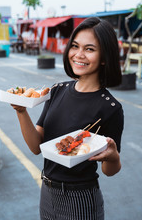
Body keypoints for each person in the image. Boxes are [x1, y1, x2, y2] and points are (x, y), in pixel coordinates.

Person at [11, 17, 124, 220]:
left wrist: (112, 156)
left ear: (105, 57)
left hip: (80, 196)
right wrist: (21, 111)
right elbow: (36, 146)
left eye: (89, 49)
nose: (78, 55)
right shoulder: (56, 91)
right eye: (75, 46)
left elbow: (109, 170)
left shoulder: (110, 107)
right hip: (47, 191)